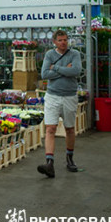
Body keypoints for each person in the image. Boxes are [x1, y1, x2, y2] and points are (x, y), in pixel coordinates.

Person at [38, 29, 82, 178]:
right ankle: (49, 163)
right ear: (54, 42)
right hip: (53, 96)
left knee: (70, 129)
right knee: (50, 128)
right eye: (60, 40)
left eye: (65, 40)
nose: (63, 42)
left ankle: (70, 158)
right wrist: (65, 69)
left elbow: (76, 71)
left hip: (69, 96)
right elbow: (44, 74)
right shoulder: (50, 55)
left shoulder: (74, 54)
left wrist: (55, 68)